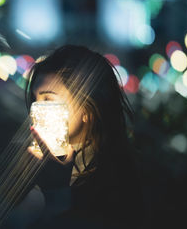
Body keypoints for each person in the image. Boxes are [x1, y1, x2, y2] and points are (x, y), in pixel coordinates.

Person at [15, 45, 144, 228]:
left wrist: (56, 190)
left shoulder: (115, 184)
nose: (36, 111)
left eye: (48, 100)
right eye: (35, 100)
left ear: (88, 109)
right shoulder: (34, 165)